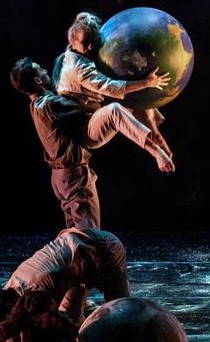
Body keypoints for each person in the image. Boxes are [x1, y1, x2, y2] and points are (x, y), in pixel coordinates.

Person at [10, 57, 175, 229]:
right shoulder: (50, 104)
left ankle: (155, 138)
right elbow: (91, 108)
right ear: (37, 81)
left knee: (75, 238)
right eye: (41, 70)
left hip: (60, 179)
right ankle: (156, 151)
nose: (46, 72)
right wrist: (134, 85)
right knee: (89, 239)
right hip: (74, 177)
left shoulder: (36, 104)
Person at [57, 11, 175, 167]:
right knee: (115, 110)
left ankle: (156, 135)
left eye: (93, 41)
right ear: (72, 41)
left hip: (95, 108)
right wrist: (147, 82)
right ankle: (155, 151)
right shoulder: (78, 68)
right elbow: (110, 88)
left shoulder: (78, 50)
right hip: (84, 129)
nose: (91, 46)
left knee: (134, 95)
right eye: (86, 43)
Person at [0, 228, 131, 327]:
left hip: (104, 249)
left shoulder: (39, 290)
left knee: (119, 313)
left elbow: (51, 325)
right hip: (74, 265)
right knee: (71, 319)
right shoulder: (11, 288)